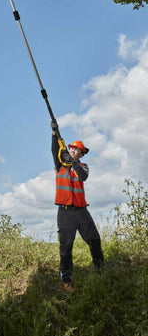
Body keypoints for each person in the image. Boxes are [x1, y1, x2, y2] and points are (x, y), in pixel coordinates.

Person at [50, 121, 104, 293]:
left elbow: (82, 177)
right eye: (72, 149)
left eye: (77, 150)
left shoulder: (83, 167)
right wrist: (54, 132)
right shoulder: (59, 166)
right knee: (66, 247)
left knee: (94, 240)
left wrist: (72, 162)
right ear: (69, 150)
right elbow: (54, 149)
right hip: (65, 212)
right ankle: (66, 280)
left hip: (81, 211)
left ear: (81, 154)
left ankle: (100, 271)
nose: (74, 151)